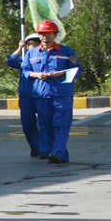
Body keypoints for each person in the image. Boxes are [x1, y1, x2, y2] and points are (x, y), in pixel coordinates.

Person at [22, 20, 77, 165]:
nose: (45, 36)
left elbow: (77, 70)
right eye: (42, 33)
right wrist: (38, 75)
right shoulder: (32, 53)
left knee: (61, 124)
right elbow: (26, 71)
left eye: (48, 33)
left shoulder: (66, 51)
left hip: (61, 94)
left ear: (55, 34)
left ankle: (57, 152)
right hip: (41, 94)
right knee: (46, 125)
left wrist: (61, 74)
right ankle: (59, 154)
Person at [5, 34, 42, 156]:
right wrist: (20, 48)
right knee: (27, 123)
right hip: (26, 95)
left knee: (45, 123)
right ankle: (35, 147)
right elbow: (10, 60)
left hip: (42, 94)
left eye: (36, 43)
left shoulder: (44, 58)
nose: (33, 46)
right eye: (30, 44)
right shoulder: (23, 60)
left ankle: (46, 147)